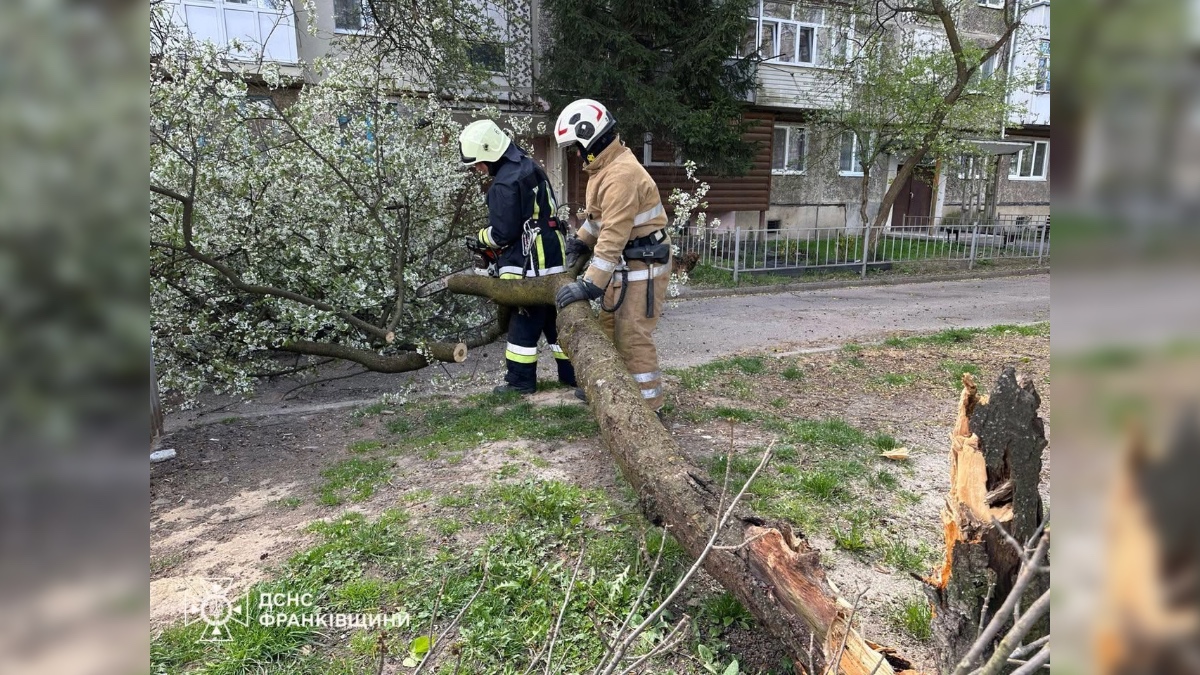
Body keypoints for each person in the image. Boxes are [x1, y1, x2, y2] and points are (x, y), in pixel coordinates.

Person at [552, 99, 672, 414]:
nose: (576, 153)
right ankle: (608, 384)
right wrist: (580, 241)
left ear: (591, 141)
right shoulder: (605, 168)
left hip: (643, 262)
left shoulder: (621, 174)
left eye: (577, 146)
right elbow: (598, 220)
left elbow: (613, 234)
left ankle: (649, 409)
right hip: (627, 262)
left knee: (632, 334)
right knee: (607, 324)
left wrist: (589, 284)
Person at [458, 119, 576, 395]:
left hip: (528, 265)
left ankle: (520, 381)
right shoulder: (530, 167)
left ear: (490, 153)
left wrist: (481, 238)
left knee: (523, 323)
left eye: (478, 163)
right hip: (553, 257)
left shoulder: (505, 184)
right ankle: (572, 374)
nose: (478, 169)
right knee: (554, 321)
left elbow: (503, 234)